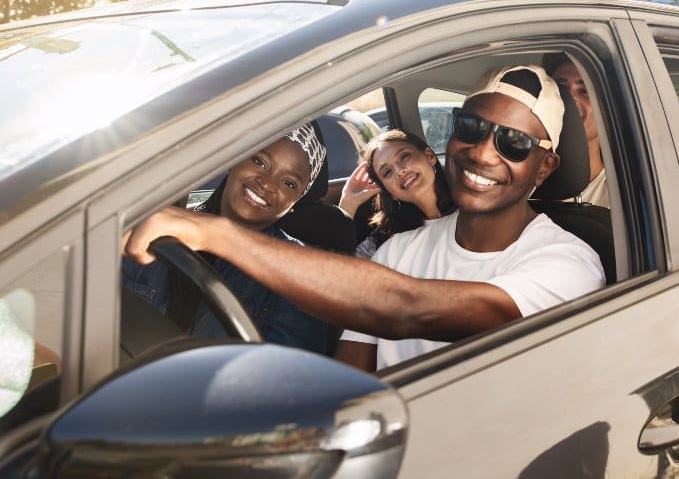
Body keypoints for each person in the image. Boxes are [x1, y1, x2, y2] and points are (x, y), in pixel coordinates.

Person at [122, 64, 606, 371]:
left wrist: (219, 235)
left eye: (513, 143)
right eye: (471, 128)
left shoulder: (568, 262)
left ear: (544, 167)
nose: (482, 152)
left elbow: (408, 308)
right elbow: (352, 375)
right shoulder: (398, 250)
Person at [121, 124, 335, 354]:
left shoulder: (296, 274)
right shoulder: (160, 225)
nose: (267, 183)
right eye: (259, 162)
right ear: (234, 159)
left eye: (289, 183)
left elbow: (283, 376)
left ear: (294, 204)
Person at [337, 129, 456, 260]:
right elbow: (340, 271)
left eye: (404, 157)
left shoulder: (473, 209)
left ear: (430, 156)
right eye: (387, 172)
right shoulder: (387, 242)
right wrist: (346, 207)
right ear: (390, 192)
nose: (400, 171)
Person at [542, 53, 609, 208]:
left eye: (584, 90)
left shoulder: (625, 196)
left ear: (607, 110)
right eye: (559, 89)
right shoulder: (519, 181)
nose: (569, 99)